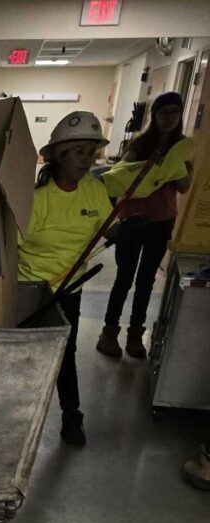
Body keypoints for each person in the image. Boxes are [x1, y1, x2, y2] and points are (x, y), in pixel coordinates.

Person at [18, 111, 113, 447]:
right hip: (28, 288)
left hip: (70, 288)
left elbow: (107, 228)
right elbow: (10, 245)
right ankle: (16, 414)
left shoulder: (94, 192)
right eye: (78, 151)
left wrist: (126, 231)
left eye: (91, 151)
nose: (86, 159)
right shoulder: (37, 198)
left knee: (65, 353)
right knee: (24, 355)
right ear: (59, 155)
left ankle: (72, 415)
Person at [97, 92, 193, 359]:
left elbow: (185, 188)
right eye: (164, 113)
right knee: (124, 277)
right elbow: (120, 180)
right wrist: (149, 169)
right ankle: (109, 332)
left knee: (146, 280)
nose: (169, 118)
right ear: (155, 116)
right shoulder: (139, 145)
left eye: (174, 112)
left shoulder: (182, 148)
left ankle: (135, 335)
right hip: (133, 219)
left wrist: (176, 168)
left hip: (162, 220)